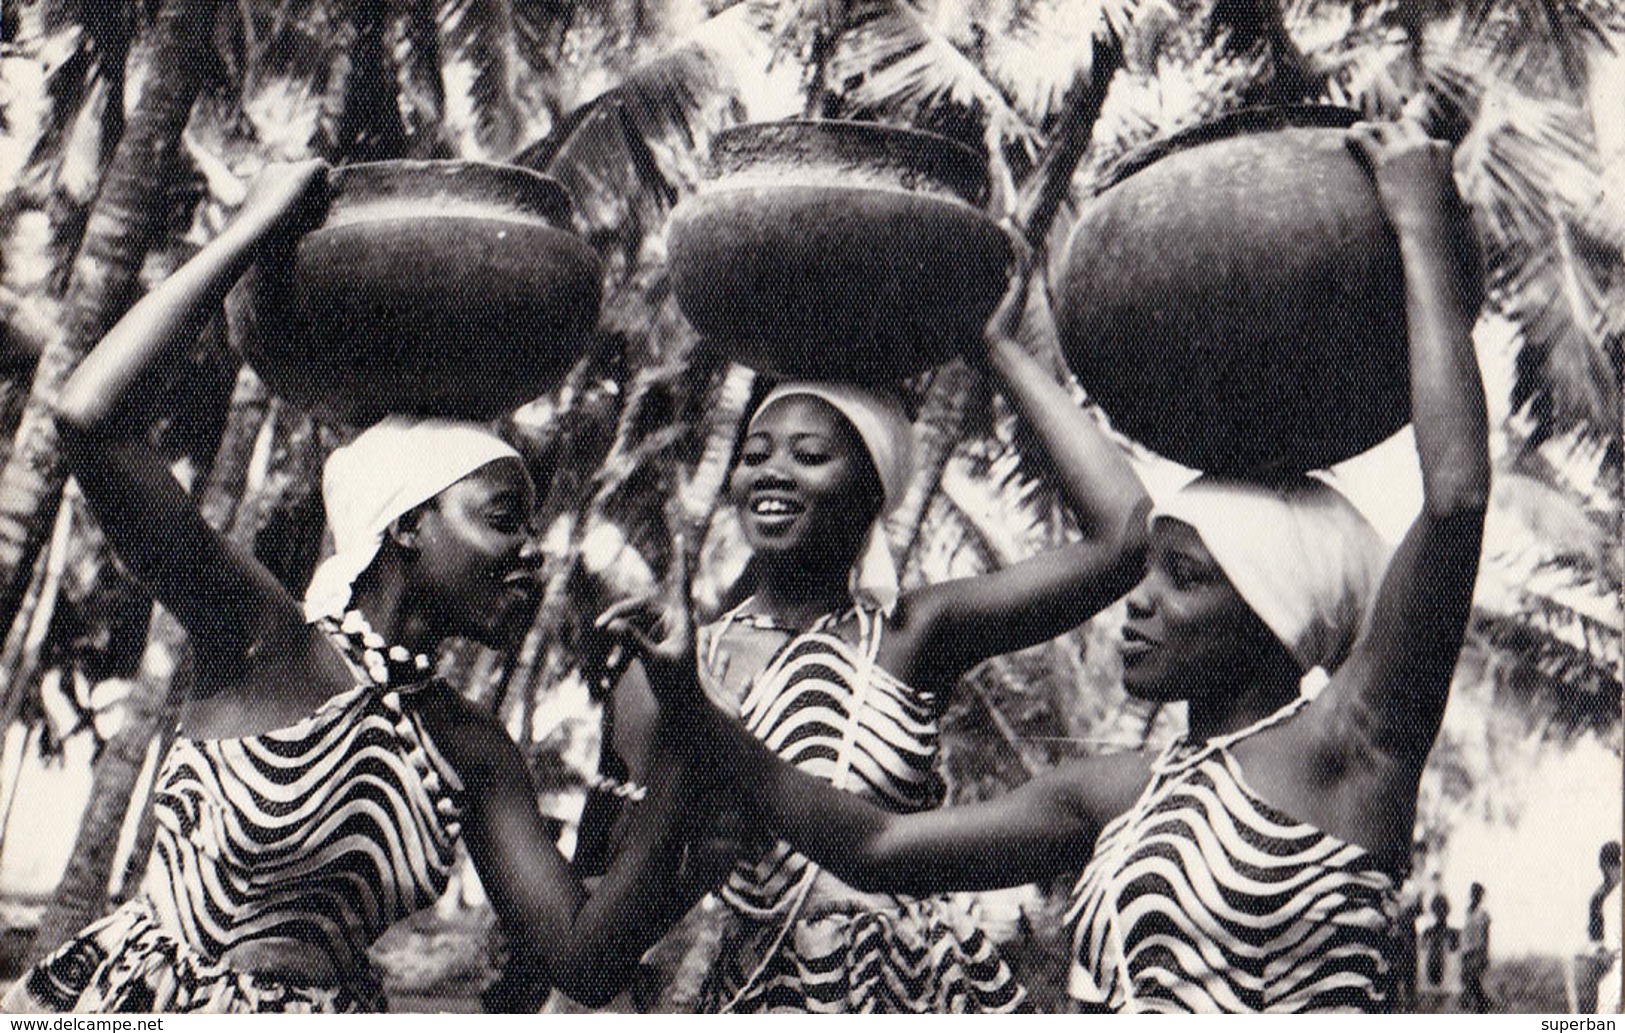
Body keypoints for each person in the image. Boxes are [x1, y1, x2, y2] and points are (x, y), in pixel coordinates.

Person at [610, 118, 1487, 1013]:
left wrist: (1418, 228)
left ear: (1276, 609)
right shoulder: (1113, 791)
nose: (1133, 605)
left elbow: (1453, 498)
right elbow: (872, 845)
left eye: (1182, 578)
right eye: (1151, 575)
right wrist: (690, 703)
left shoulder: (1356, 744)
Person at [3, 161, 689, 1013]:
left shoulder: (471, 745)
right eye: (503, 516)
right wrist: (252, 228)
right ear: (405, 522)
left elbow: (582, 958)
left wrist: (684, 738)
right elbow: (90, 419)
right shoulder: (266, 640)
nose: (532, 554)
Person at [597, 236, 1151, 1011]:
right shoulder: (672, 662)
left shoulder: (912, 632)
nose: (770, 470)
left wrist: (991, 347)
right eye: (754, 452)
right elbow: (624, 887)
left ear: (872, 490)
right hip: (747, 990)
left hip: (905, 989)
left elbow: (1124, 539)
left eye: (810, 454)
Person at [1460, 882, 1491, 1011]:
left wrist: (1484, 955)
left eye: (1478, 895)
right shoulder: (1466, 912)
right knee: (1468, 982)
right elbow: (1465, 933)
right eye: (1474, 894)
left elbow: (1486, 936)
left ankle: (1482, 1005)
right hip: (1466, 952)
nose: (1476, 897)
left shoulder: (1483, 915)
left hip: (1477, 952)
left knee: (1474, 981)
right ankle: (1482, 1004)